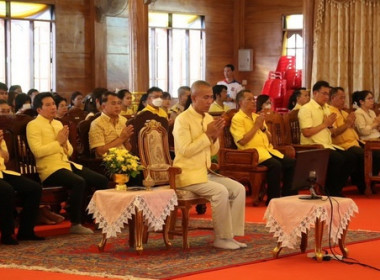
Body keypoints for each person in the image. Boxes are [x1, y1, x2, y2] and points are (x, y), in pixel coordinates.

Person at [173, 80, 246, 250]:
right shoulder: (182, 120)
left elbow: (213, 152)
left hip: (205, 172)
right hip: (187, 174)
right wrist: (208, 135)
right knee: (220, 191)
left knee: (238, 189)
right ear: (193, 97)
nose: (209, 101)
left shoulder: (208, 117)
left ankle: (231, 235)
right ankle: (221, 238)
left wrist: (214, 136)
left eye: (211, 97)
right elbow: (185, 150)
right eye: (205, 97)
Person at [26, 92, 109, 234]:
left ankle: (98, 219)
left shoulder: (58, 123)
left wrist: (63, 143)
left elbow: (69, 151)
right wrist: (58, 142)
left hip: (66, 163)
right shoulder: (33, 125)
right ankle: (76, 223)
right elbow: (38, 152)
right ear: (39, 110)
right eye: (48, 105)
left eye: (53, 104)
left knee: (101, 180)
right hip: (49, 169)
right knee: (79, 182)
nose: (53, 107)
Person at [230, 89, 296, 204]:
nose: (253, 102)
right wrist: (256, 126)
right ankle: (273, 200)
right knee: (275, 165)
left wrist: (263, 128)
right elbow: (242, 141)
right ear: (240, 102)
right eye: (249, 99)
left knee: (292, 163)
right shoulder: (237, 119)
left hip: (267, 151)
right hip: (251, 154)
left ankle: (287, 196)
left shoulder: (257, 116)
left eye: (253, 99)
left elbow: (270, 139)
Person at [298, 81, 351, 196]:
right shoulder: (306, 109)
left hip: (327, 145)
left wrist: (333, 126)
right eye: (324, 93)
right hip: (312, 146)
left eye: (328, 94)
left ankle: (336, 189)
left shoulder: (326, 108)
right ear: (315, 93)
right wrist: (325, 124)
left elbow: (330, 130)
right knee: (338, 159)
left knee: (349, 157)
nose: (327, 97)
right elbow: (306, 132)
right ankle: (330, 191)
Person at [0, 129, 44, 245]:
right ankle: (7, 234)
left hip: (2, 172)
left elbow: (5, 159)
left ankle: (26, 231)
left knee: (34, 188)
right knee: (6, 190)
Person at [329, 87, 366, 194]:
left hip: (355, 142)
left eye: (344, 98)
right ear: (333, 98)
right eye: (341, 98)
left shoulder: (344, 113)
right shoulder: (330, 112)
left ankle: (368, 183)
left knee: (375, 154)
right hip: (343, 145)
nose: (343, 101)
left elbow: (351, 128)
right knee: (363, 155)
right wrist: (347, 124)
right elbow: (334, 133)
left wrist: (351, 123)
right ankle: (363, 186)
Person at [89, 91, 134, 157]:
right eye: (113, 104)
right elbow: (100, 152)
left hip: (125, 158)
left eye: (119, 103)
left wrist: (126, 140)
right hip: (108, 162)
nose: (118, 106)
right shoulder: (97, 124)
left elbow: (128, 149)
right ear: (104, 106)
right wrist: (121, 139)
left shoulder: (123, 120)